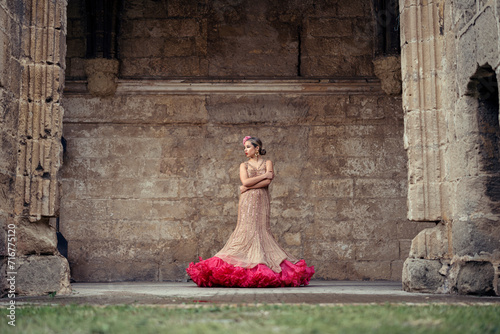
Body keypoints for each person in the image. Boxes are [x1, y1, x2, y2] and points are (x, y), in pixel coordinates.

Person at [186, 136, 315, 287]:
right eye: (245, 147)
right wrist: (257, 179)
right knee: (245, 232)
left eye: (248, 147)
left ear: (257, 148)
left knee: (261, 232)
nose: (245, 150)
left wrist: (248, 187)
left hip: (262, 201)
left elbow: (268, 181)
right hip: (247, 202)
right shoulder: (244, 165)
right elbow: (246, 181)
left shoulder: (268, 162)